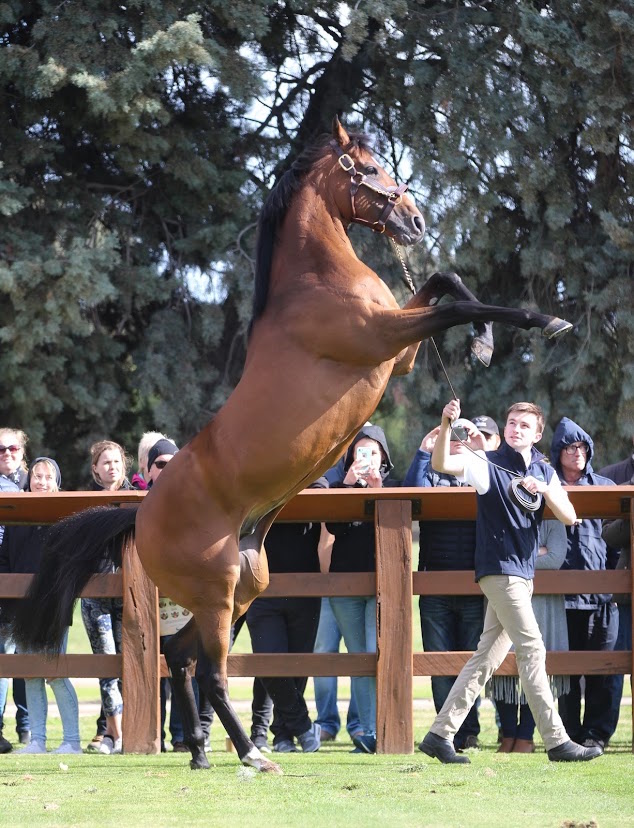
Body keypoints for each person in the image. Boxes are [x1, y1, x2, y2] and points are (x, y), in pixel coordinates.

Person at [419, 398, 603, 764]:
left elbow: (569, 516)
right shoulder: (486, 463)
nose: (515, 428)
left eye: (524, 425)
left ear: (537, 434)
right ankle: (557, 741)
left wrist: (545, 487)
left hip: (523, 574)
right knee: (533, 650)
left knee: (485, 657)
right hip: (500, 572)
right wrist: (445, 424)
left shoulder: (543, 470)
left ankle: (440, 735)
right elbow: (440, 463)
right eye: (511, 423)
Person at [404, 416, 498, 751]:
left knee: (470, 661)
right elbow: (409, 495)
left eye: (463, 434)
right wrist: (423, 450)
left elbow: (496, 484)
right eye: (451, 434)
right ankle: (444, 733)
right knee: (439, 663)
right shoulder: (430, 470)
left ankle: (468, 731)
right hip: (434, 583)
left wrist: (479, 447)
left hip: (474, 583)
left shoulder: (479, 470)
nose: (457, 439)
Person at [0, 458, 82, 754]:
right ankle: (37, 740)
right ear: (29, 479)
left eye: (48, 477)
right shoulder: (15, 517)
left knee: (54, 672)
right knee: (30, 673)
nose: (42, 481)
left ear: (56, 482)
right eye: (37, 476)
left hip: (53, 609)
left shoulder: (64, 519)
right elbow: (5, 562)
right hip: (21, 611)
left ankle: (72, 741)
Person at [327, 425, 400, 754]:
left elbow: (397, 528)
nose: (367, 456)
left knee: (377, 654)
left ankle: (382, 728)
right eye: (360, 451)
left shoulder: (394, 485)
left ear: (383, 455)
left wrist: (378, 490)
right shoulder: (337, 484)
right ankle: (366, 733)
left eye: (373, 450)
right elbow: (333, 526)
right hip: (346, 583)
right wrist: (347, 487)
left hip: (383, 583)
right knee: (358, 659)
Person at [550, 418, 619, 751]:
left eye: (581, 447)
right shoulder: (548, 485)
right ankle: (567, 735)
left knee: (603, 671)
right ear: (558, 452)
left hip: (602, 596)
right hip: (561, 597)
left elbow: (617, 537)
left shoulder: (604, 486)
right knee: (564, 674)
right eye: (569, 447)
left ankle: (597, 734)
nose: (577, 453)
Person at [246, 477, 326, 754]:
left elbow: (323, 493)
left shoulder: (311, 475)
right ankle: (303, 727)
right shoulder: (255, 474)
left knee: (297, 666)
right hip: (260, 585)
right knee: (269, 660)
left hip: (305, 587)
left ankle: (282, 734)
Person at [147, 438, 214, 753]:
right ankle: (151, 736)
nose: (168, 469)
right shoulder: (140, 504)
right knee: (152, 672)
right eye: (161, 464)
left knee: (185, 667)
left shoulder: (197, 505)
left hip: (185, 604)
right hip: (150, 606)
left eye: (174, 463)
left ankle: (185, 737)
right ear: (149, 470)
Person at [491, 519, 569, 753]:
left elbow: (555, 559)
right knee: (501, 664)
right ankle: (508, 735)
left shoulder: (553, 520)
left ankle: (525, 736)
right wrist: (539, 551)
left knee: (535, 665)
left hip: (544, 604)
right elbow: (494, 555)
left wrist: (516, 553)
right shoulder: (502, 512)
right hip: (506, 597)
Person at [82, 440, 131, 754]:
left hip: (129, 596)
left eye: (116, 461)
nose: (111, 467)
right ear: (96, 470)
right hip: (96, 597)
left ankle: (131, 733)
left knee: (130, 667)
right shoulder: (89, 506)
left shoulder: (138, 500)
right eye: (105, 462)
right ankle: (115, 736)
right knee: (107, 668)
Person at [599, 440, 634, 735]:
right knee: (620, 665)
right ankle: (604, 732)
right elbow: (607, 533)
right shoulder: (617, 477)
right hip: (627, 593)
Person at [0, 428, 30, 753]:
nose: (6, 453)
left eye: (12, 448)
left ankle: (27, 727)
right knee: (6, 653)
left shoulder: (38, 481)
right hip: (4, 578)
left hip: (30, 581)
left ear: (21, 452)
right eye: (0, 449)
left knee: (27, 653)